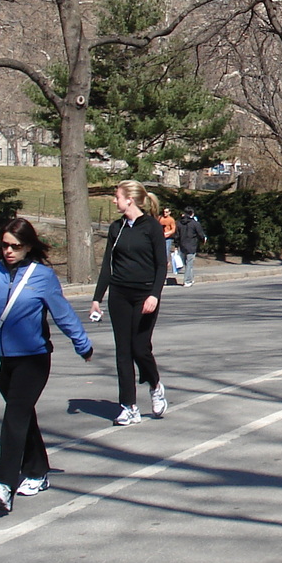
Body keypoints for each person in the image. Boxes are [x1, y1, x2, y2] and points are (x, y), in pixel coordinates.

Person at [0, 217, 93, 513]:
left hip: (33, 358)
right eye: (5, 245)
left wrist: (82, 343)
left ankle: (3, 483)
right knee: (21, 415)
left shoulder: (42, 276)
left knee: (14, 415)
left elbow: (62, 314)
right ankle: (37, 471)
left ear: (28, 246)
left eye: (16, 246)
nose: (9, 251)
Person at [90, 180, 168, 426]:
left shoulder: (152, 228)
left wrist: (154, 295)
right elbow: (106, 266)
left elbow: (160, 265)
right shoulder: (117, 228)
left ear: (130, 199)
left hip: (145, 295)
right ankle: (129, 406)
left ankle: (155, 385)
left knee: (140, 348)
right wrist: (96, 299)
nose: (114, 200)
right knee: (123, 352)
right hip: (120, 295)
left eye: (117, 197)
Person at [174, 208, 206, 287]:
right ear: (192, 214)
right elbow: (200, 234)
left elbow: (176, 235)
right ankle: (187, 280)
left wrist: (176, 245)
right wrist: (203, 240)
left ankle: (190, 278)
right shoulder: (195, 223)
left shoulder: (179, 223)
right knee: (189, 264)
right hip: (191, 245)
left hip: (182, 245)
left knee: (187, 263)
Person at [158, 207, 178, 282]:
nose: (165, 213)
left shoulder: (171, 220)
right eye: (164, 212)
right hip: (160, 237)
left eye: (166, 212)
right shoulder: (160, 218)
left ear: (169, 212)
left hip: (167, 238)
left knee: (166, 252)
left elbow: (173, 229)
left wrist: (167, 233)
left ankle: (166, 265)